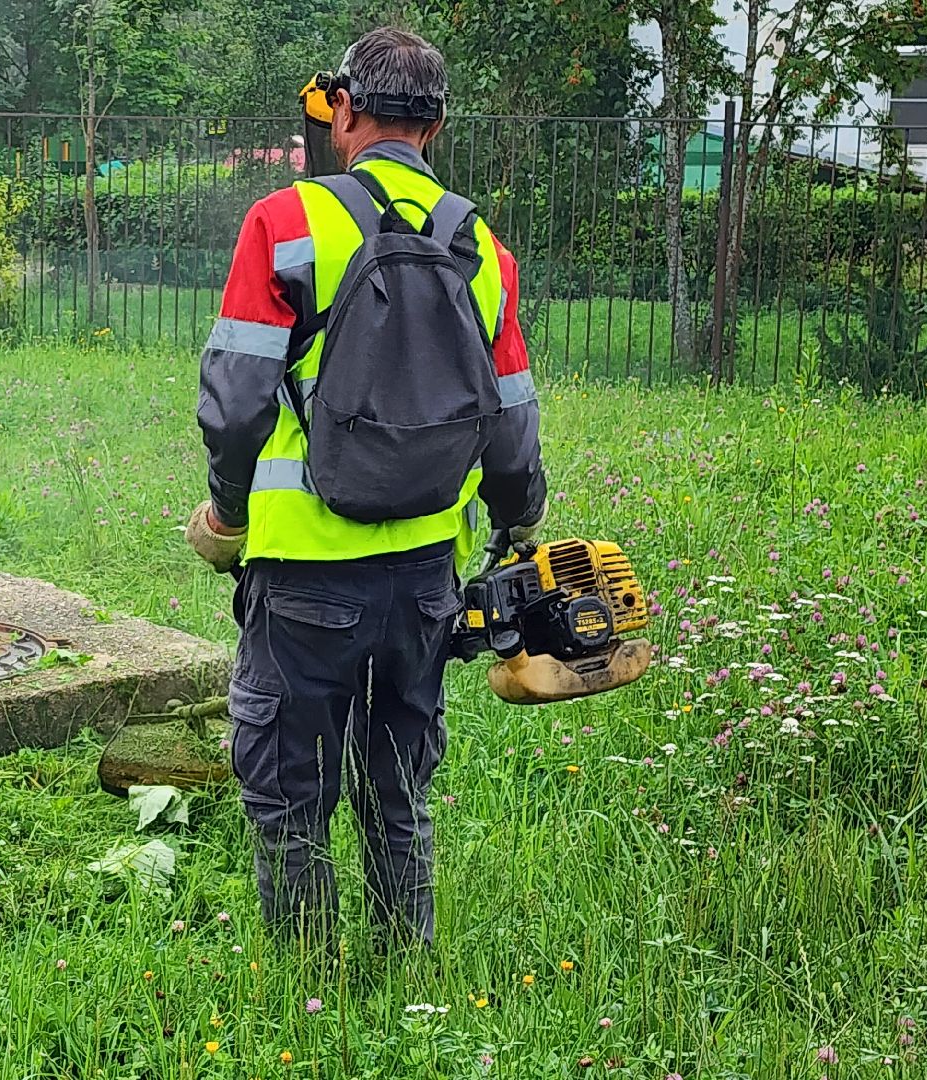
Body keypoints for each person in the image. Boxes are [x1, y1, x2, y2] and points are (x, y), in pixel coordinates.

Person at [186, 28, 548, 952]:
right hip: (428, 577)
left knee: (289, 789)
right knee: (399, 786)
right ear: (436, 124)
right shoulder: (481, 246)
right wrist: (516, 535)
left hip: (304, 576)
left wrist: (228, 510)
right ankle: (403, 976)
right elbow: (511, 432)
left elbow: (234, 405)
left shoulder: (286, 223)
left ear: (344, 111)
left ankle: (308, 993)